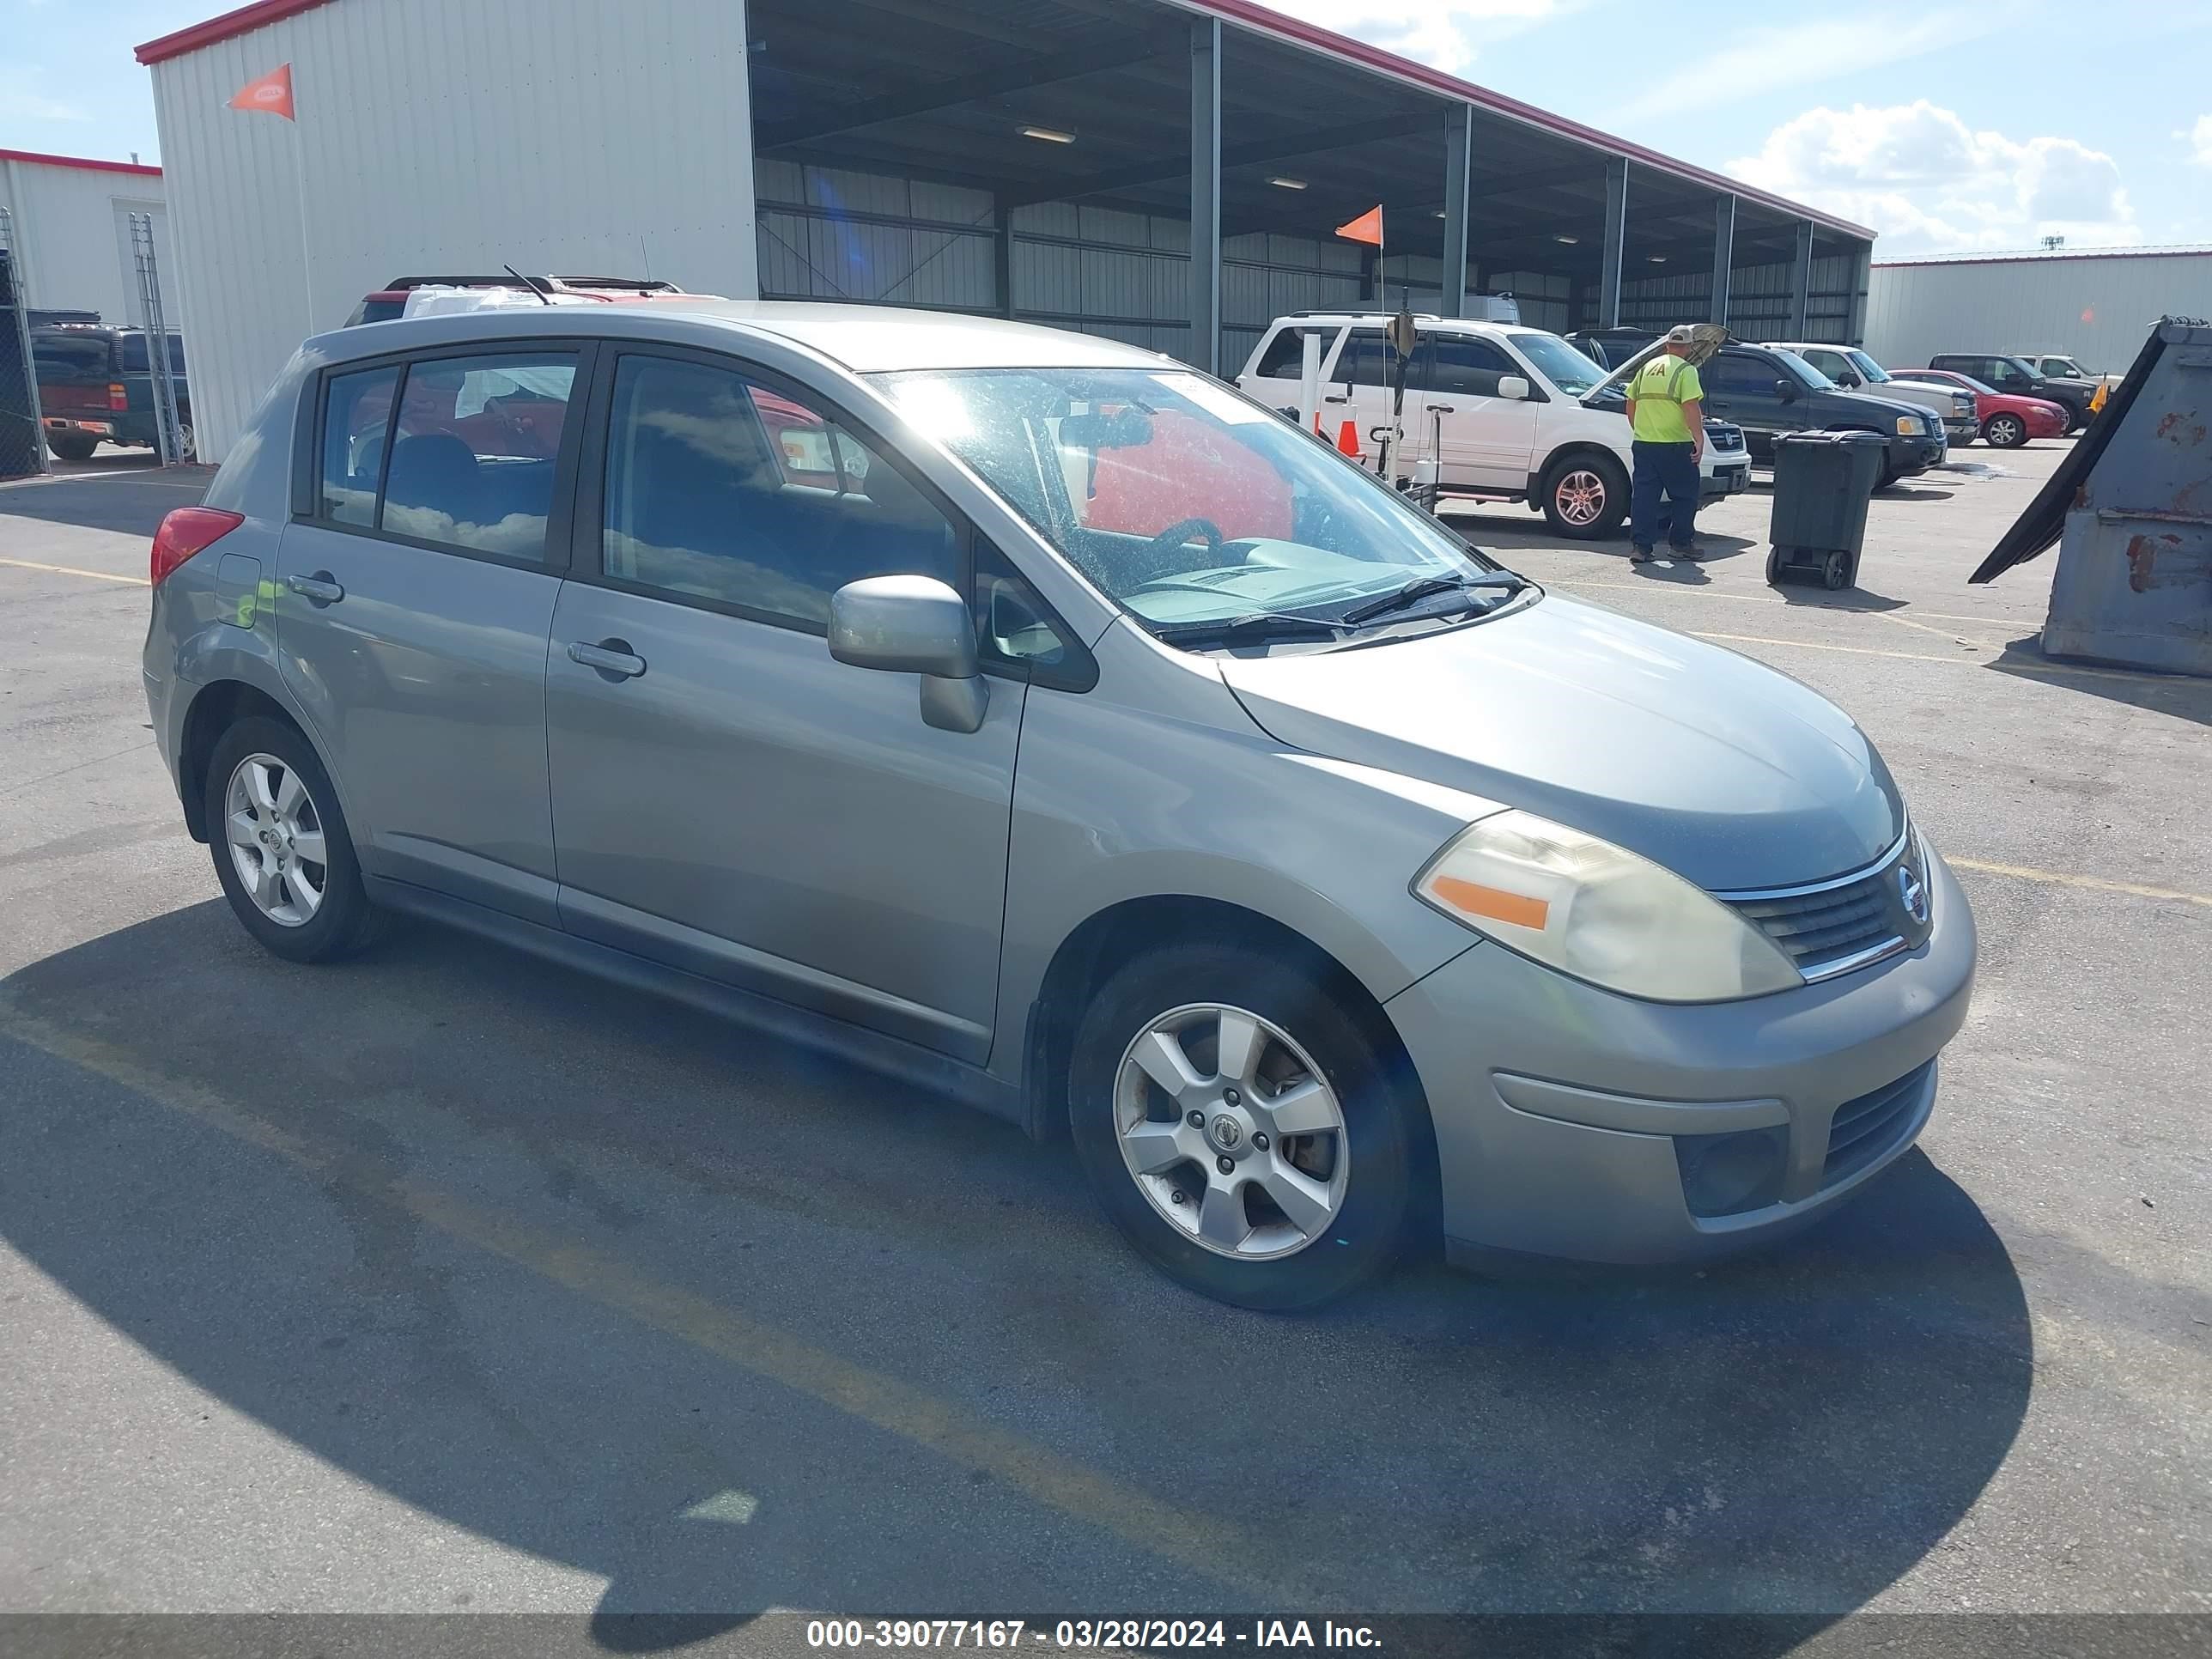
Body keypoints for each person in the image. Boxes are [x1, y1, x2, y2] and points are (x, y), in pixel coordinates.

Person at [1623, 324, 1706, 563]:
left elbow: (1630, 403)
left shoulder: (1646, 368)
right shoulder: (1686, 371)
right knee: (1684, 495)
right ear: (1689, 347)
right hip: (1676, 444)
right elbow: (1690, 406)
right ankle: (1680, 544)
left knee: (1645, 497)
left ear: (1667, 345)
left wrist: (1640, 429)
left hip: (1645, 443)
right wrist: (1698, 438)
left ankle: (1641, 548)